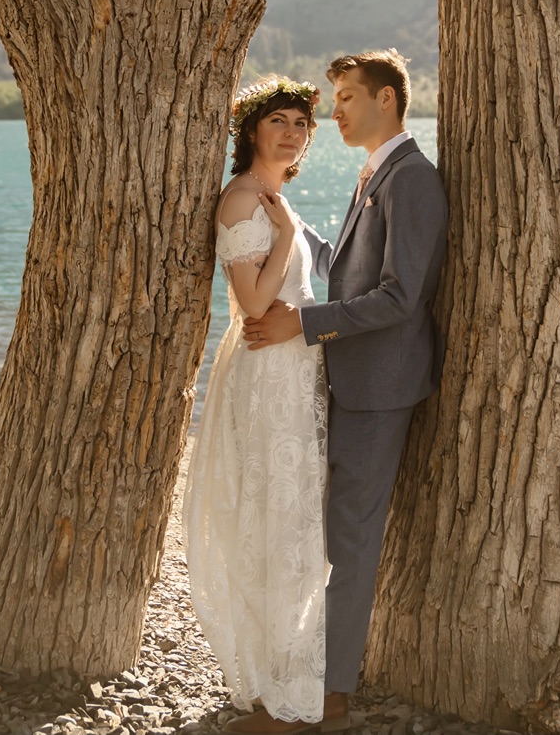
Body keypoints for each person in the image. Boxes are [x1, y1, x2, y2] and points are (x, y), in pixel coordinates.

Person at [242, 50, 448, 733]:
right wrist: (291, 230)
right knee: (333, 533)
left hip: (379, 387)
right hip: (352, 380)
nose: (335, 112)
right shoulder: (376, 172)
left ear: (388, 100)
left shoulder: (411, 177)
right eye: (334, 98)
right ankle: (311, 678)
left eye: (348, 97)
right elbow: (351, 272)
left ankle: (328, 701)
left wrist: (305, 323)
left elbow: (400, 295)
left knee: (352, 542)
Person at [183, 76, 331, 731]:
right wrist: (285, 227)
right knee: (275, 513)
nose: (292, 132)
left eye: (301, 122)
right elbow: (251, 305)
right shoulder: (245, 199)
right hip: (268, 369)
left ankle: (295, 656)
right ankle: (275, 674)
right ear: (251, 131)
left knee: (296, 512)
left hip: (293, 368)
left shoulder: (271, 198)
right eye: (279, 120)